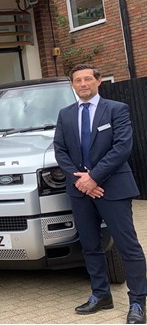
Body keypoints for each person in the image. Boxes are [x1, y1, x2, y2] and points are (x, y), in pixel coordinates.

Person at [53, 64, 147, 324]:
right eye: (77, 80)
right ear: (72, 85)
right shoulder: (65, 114)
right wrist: (82, 181)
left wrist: (93, 177)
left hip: (113, 188)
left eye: (87, 79)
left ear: (98, 81)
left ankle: (138, 302)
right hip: (80, 190)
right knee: (90, 245)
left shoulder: (116, 110)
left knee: (128, 246)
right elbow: (60, 150)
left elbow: (122, 147)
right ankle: (100, 295)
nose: (83, 84)